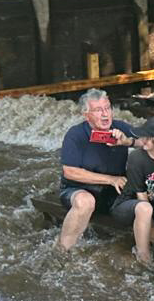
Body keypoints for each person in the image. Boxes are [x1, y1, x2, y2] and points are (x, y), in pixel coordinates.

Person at [56, 88, 136, 251]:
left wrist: (126, 141)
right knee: (86, 201)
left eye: (107, 108)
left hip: (112, 194)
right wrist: (110, 179)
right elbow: (69, 172)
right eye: (98, 110)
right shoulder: (75, 135)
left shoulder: (120, 128)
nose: (105, 114)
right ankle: (63, 251)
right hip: (78, 190)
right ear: (86, 115)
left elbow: (149, 143)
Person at [110, 117, 154, 269]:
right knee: (145, 208)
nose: (142, 140)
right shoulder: (137, 158)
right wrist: (152, 225)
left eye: (147, 137)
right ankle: (144, 259)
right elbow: (141, 195)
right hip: (128, 206)